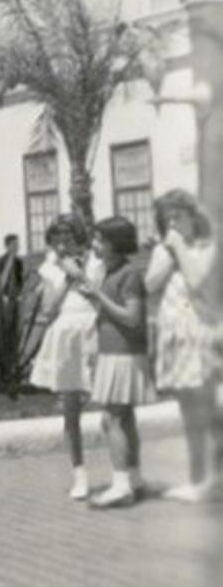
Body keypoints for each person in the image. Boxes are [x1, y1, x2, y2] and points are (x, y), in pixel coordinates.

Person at [146, 189, 220, 502]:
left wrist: (178, 247)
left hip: (201, 335)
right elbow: (150, 285)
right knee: (189, 411)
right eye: (168, 219)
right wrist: (167, 253)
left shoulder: (206, 246)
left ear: (193, 217)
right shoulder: (165, 250)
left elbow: (197, 280)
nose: (174, 224)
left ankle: (208, 479)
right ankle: (201, 478)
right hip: (175, 338)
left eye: (179, 217)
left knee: (208, 410)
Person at [83, 215, 155, 509]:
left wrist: (98, 295)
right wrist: (94, 296)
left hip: (122, 353)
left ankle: (121, 485)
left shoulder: (129, 273)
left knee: (112, 419)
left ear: (114, 243)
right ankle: (134, 479)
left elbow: (132, 317)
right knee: (124, 418)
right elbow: (109, 311)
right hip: (115, 351)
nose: (95, 245)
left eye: (100, 240)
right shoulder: (112, 272)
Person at [28, 214, 100, 499]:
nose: (63, 242)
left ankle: (125, 472)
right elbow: (48, 311)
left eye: (68, 236)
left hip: (94, 329)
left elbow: (100, 296)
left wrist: (81, 273)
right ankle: (79, 474)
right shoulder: (49, 268)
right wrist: (66, 277)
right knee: (71, 409)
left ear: (79, 237)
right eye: (57, 237)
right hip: (66, 333)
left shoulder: (96, 260)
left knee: (111, 402)